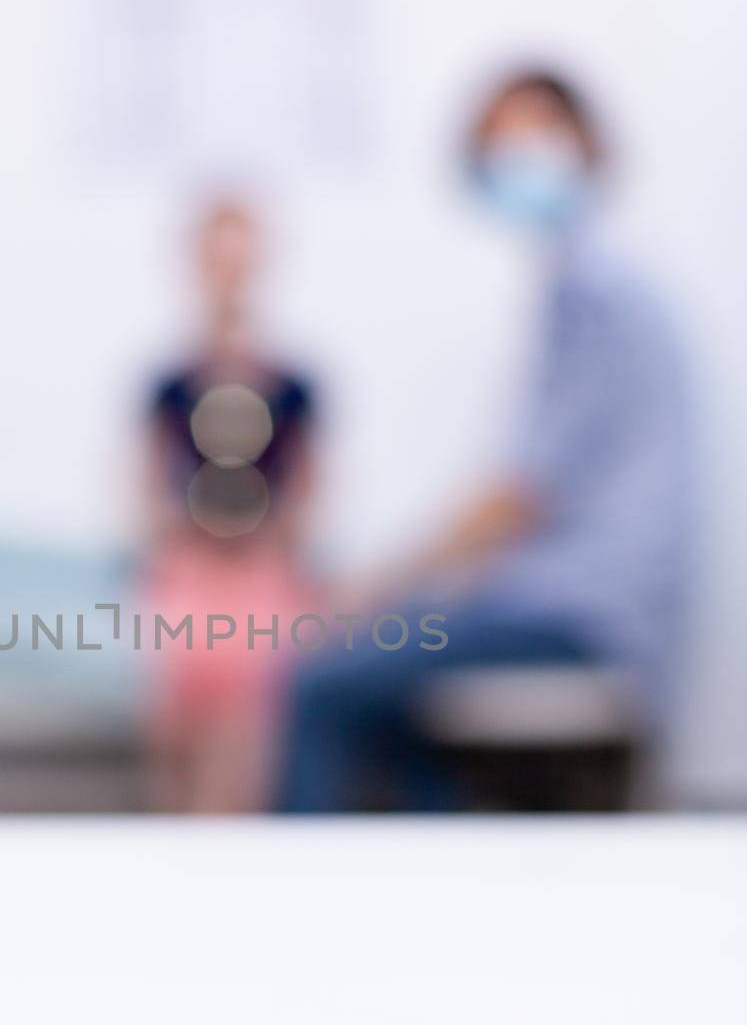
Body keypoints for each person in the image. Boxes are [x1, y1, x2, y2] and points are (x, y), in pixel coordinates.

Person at [278, 67, 694, 811]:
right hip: (560, 605)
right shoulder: (583, 284)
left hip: (583, 617)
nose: (518, 157)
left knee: (317, 681)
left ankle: (281, 913)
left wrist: (373, 589)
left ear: (589, 143)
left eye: (534, 134)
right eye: (498, 143)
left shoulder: (595, 290)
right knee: (387, 702)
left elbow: (521, 495)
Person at [143, 196, 317, 813]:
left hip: (261, 570)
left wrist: (258, 539)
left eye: (240, 255)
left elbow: (309, 499)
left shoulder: (295, 387)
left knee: (250, 693)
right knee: (178, 696)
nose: (228, 270)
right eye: (216, 255)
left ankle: (229, 846)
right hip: (189, 567)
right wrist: (192, 535)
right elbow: (145, 497)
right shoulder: (168, 385)